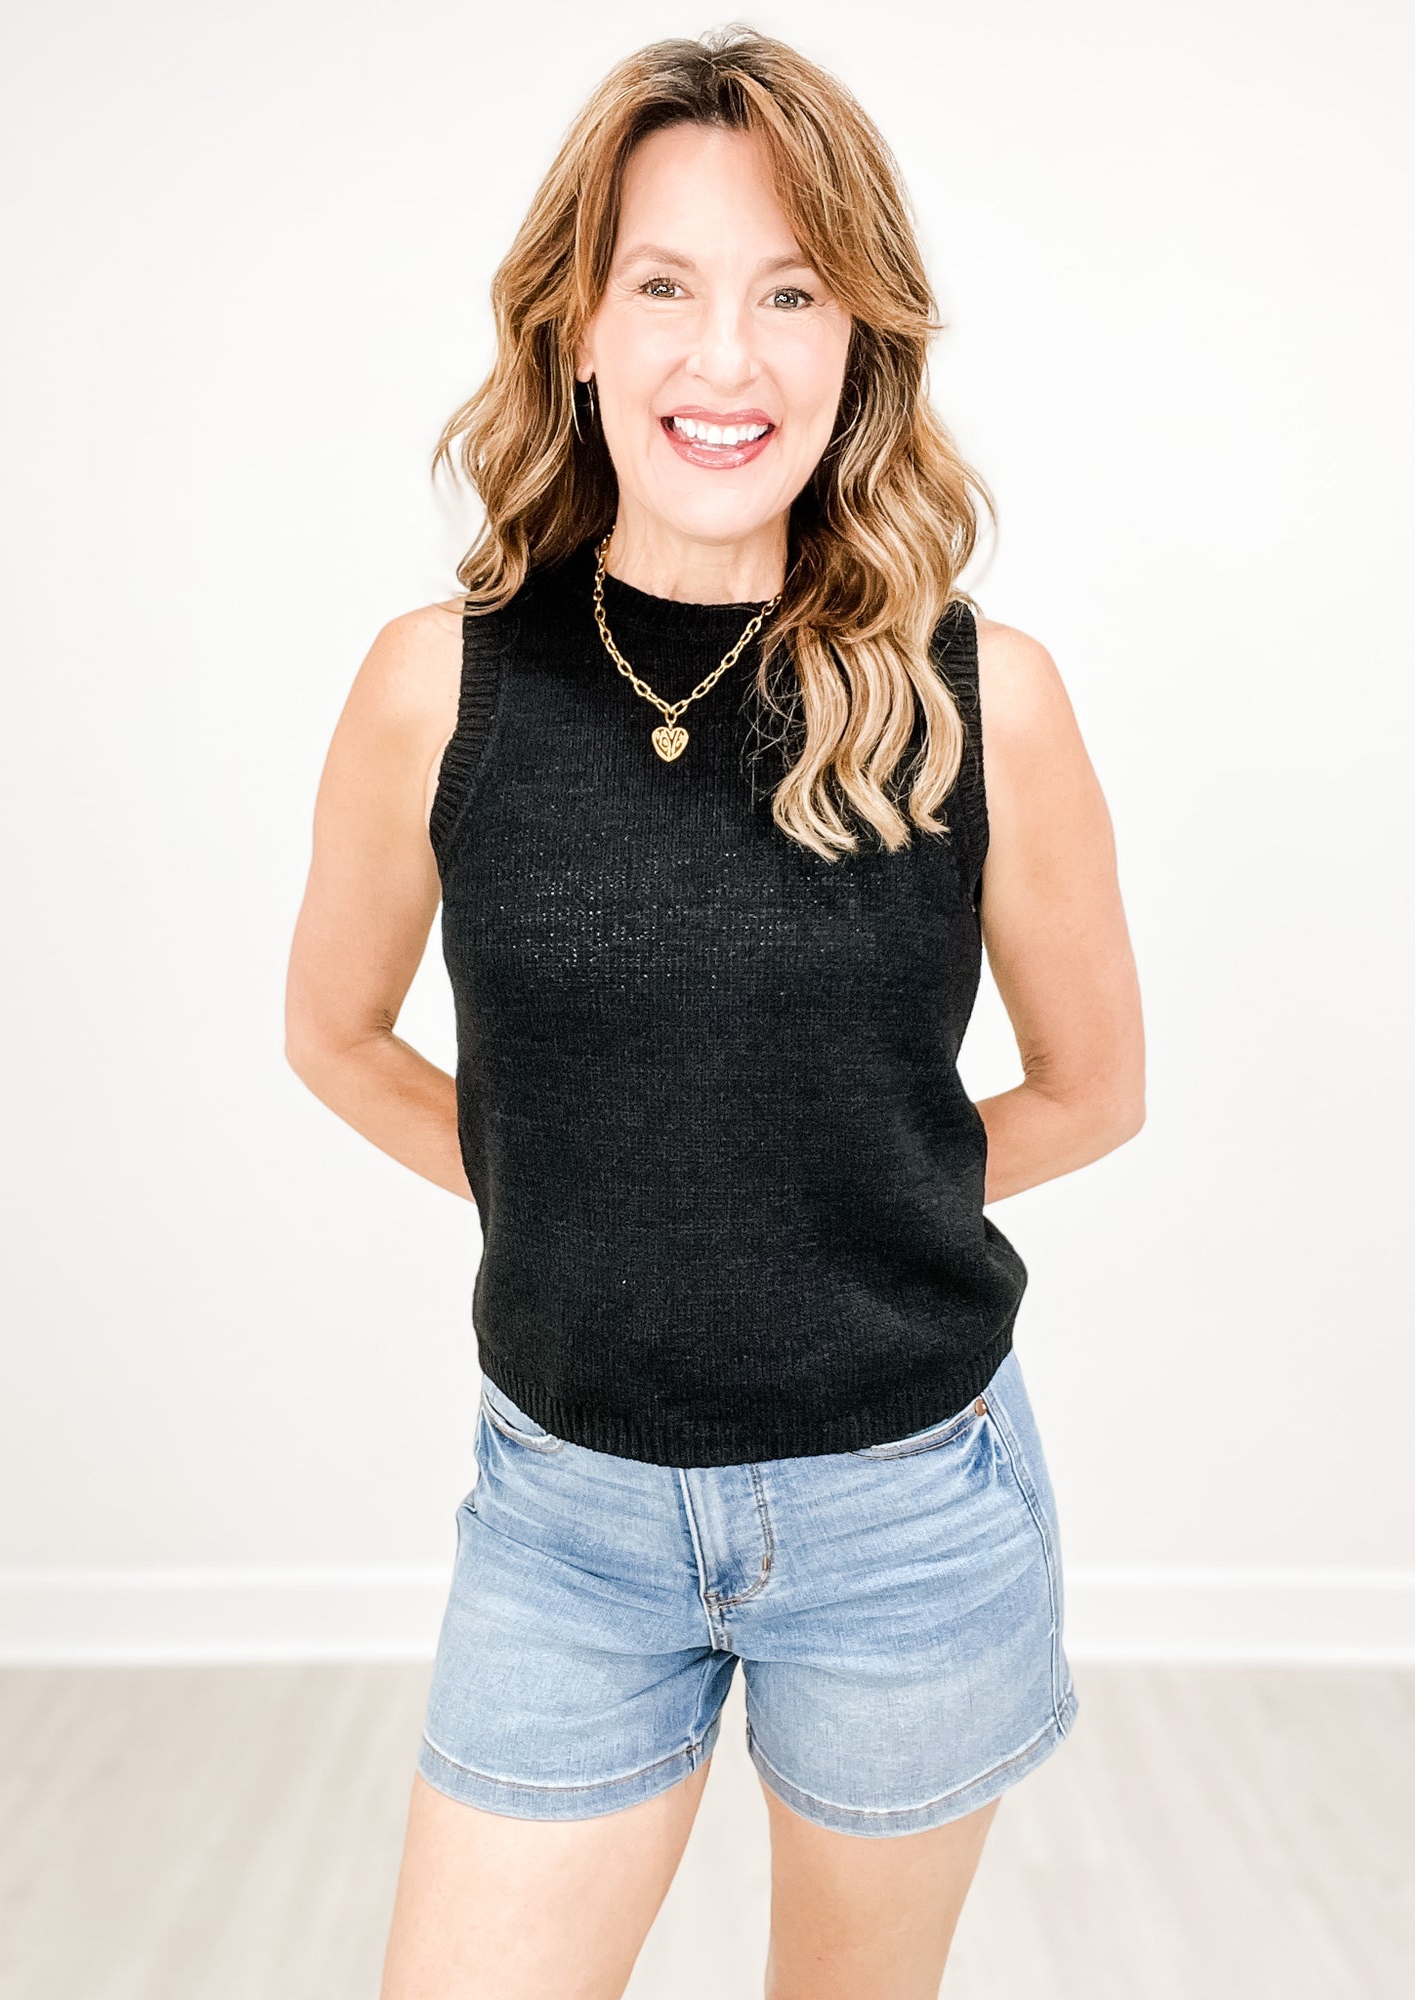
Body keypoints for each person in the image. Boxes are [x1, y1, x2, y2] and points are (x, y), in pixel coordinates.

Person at [285, 26, 1144, 2000]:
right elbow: (332, 1034)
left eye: (791, 295)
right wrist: (572, 1192)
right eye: (664, 288)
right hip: (566, 1524)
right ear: (578, 327)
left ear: (861, 342)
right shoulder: (440, 688)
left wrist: (831, 1201)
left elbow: (1097, 1088)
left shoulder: (982, 699)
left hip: (905, 1509)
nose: (726, 360)